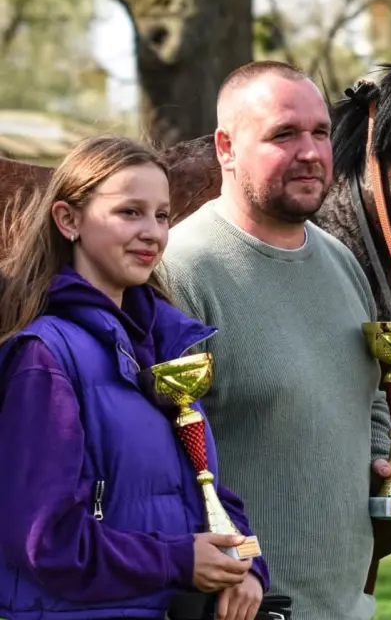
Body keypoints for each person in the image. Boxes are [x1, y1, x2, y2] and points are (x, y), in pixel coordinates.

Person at [161, 61, 391, 620]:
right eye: (283, 134)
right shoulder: (179, 270)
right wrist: (235, 569)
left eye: (319, 132)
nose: (312, 151)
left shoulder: (342, 262)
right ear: (226, 147)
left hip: (348, 607)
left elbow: (371, 411)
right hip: (242, 609)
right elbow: (159, 466)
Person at [0, 136, 267, 620]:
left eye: (162, 216)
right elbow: (45, 540)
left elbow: (207, 490)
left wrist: (246, 564)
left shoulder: (165, 345)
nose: (153, 233)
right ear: (69, 220)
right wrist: (178, 560)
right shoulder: (45, 356)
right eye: (130, 212)